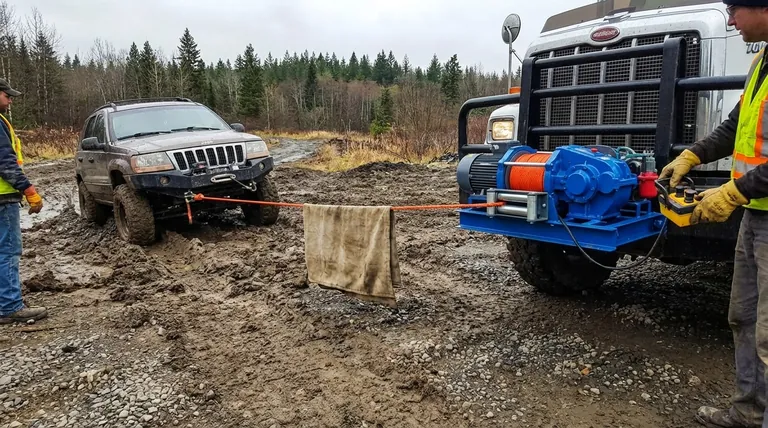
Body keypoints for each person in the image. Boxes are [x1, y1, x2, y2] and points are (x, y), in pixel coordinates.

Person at [659, 1, 768, 426]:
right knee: (743, 317)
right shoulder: (763, 61)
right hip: (755, 215)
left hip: (755, 205)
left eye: (735, 9)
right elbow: (737, 126)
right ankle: (748, 412)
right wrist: (692, 155)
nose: (731, 21)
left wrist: (732, 191)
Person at [0, 78, 46, 325]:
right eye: (7, 95)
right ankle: (9, 306)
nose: (10, 99)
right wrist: (29, 190)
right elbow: (5, 163)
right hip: (2, 197)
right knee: (7, 251)